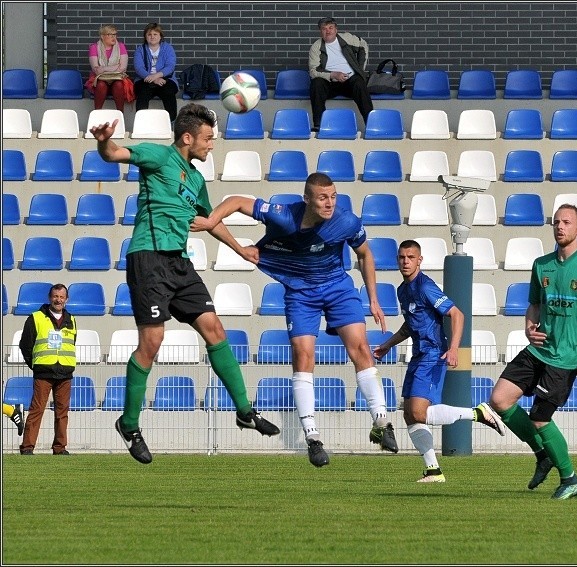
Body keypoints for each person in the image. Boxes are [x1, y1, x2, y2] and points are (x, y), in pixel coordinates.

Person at [90, 103, 280, 465]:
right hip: (149, 257)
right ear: (188, 136)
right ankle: (129, 424)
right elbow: (115, 153)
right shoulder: (158, 156)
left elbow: (209, 220)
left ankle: (244, 411)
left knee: (216, 331)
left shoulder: (195, 180)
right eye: (208, 138)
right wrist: (104, 142)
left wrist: (241, 249)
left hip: (179, 263)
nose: (212, 145)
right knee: (153, 341)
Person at [191, 173, 398, 468]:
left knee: (361, 349)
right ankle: (312, 437)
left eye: (333, 196)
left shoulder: (347, 221)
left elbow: (364, 254)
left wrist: (373, 298)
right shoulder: (283, 216)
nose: (330, 203)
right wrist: (211, 222)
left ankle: (381, 421)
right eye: (323, 198)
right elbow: (235, 201)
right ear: (307, 199)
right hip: (301, 293)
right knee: (303, 356)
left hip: (337, 287)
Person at [486, 204, 577, 499]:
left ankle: (570, 478)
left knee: (539, 418)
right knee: (499, 399)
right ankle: (542, 454)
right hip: (538, 349)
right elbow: (534, 303)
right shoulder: (541, 264)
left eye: (567, 222)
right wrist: (528, 325)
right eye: (557, 222)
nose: (560, 226)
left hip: (565, 357)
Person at [372, 240, 505, 483]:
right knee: (409, 415)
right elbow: (410, 325)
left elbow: (457, 314)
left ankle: (477, 413)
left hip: (433, 354)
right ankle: (433, 470)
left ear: (419, 260)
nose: (405, 261)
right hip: (418, 355)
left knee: (418, 412)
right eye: (402, 257)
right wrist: (388, 345)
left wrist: (453, 348)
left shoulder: (426, 287)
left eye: (410, 257)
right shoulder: (403, 290)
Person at [18, 284, 76, 455]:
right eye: (55, 296)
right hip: (44, 372)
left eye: (61, 297)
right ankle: (27, 447)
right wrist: (36, 364)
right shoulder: (35, 318)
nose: (58, 300)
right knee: (36, 410)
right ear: (50, 297)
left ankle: (60, 448)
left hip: (65, 372)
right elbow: (25, 346)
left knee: (62, 413)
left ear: (66, 299)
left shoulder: (71, 320)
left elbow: (72, 344)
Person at [308, 16, 373, 132]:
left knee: (359, 82)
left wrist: (359, 69)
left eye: (330, 28)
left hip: (350, 81)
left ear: (336, 29)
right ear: (320, 32)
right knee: (316, 83)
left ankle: (372, 124)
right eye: (324, 29)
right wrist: (333, 75)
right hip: (330, 83)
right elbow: (313, 71)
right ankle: (319, 125)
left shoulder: (347, 39)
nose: (328, 31)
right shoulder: (316, 47)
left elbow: (363, 45)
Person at [133, 22, 179, 122]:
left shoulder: (168, 48)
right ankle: (141, 123)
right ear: (145, 36)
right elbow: (139, 68)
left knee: (169, 92)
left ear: (160, 36)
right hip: (145, 79)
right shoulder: (140, 50)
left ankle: (171, 122)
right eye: (149, 34)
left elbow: (170, 66)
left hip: (165, 79)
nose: (152, 37)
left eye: (155, 34)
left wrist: (156, 76)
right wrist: (153, 79)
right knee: (142, 93)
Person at [86, 24, 129, 112]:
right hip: (100, 78)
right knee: (101, 85)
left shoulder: (121, 46)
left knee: (119, 85)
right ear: (102, 36)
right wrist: (115, 66)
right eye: (110, 35)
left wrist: (104, 68)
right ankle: (97, 114)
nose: (114, 37)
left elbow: (123, 68)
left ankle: (120, 114)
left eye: (115, 34)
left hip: (118, 77)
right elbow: (97, 70)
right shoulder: (94, 47)